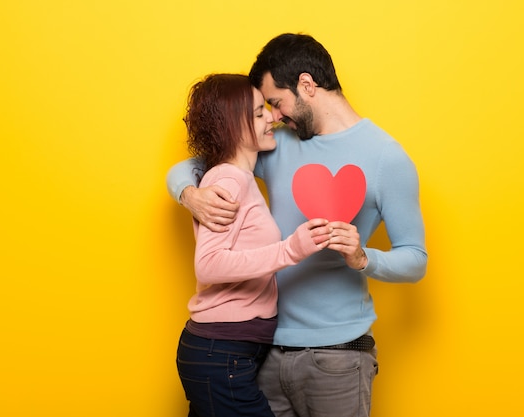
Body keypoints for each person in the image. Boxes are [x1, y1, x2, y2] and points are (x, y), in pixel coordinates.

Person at [168, 34, 428, 417]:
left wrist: (362, 258)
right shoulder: (277, 144)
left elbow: (415, 259)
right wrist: (190, 195)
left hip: (337, 359)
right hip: (263, 351)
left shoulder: (387, 158)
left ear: (306, 85)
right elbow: (194, 164)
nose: (274, 116)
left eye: (276, 103)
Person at [173, 73, 332, 417]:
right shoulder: (228, 179)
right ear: (233, 125)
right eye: (260, 113)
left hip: (228, 352)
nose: (273, 117)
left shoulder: (239, 177)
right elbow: (209, 264)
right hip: (221, 352)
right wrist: (291, 249)